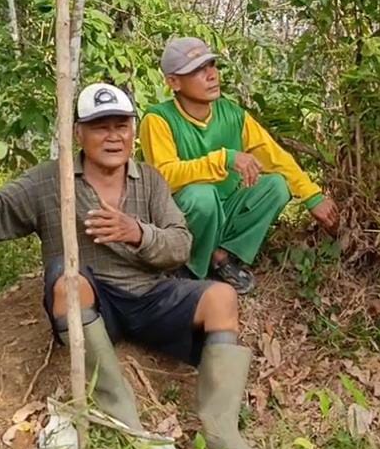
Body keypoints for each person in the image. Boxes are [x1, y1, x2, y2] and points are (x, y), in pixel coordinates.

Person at [0, 83, 272, 449]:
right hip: (92, 304)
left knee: (222, 297)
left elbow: (180, 245)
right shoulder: (51, 181)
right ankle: (125, 421)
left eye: (121, 126)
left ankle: (221, 435)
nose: (113, 136)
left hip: (148, 297)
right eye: (100, 127)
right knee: (68, 279)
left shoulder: (150, 180)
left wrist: (137, 232)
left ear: (132, 130)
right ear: (78, 133)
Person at [139, 37, 340, 295]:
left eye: (212, 65)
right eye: (198, 70)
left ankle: (221, 255)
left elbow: (274, 157)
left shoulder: (232, 114)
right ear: (173, 82)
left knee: (276, 186)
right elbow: (164, 176)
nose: (212, 75)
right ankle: (186, 268)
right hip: (183, 219)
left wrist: (312, 196)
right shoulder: (158, 119)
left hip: (226, 210)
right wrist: (224, 159)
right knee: (203, 196)